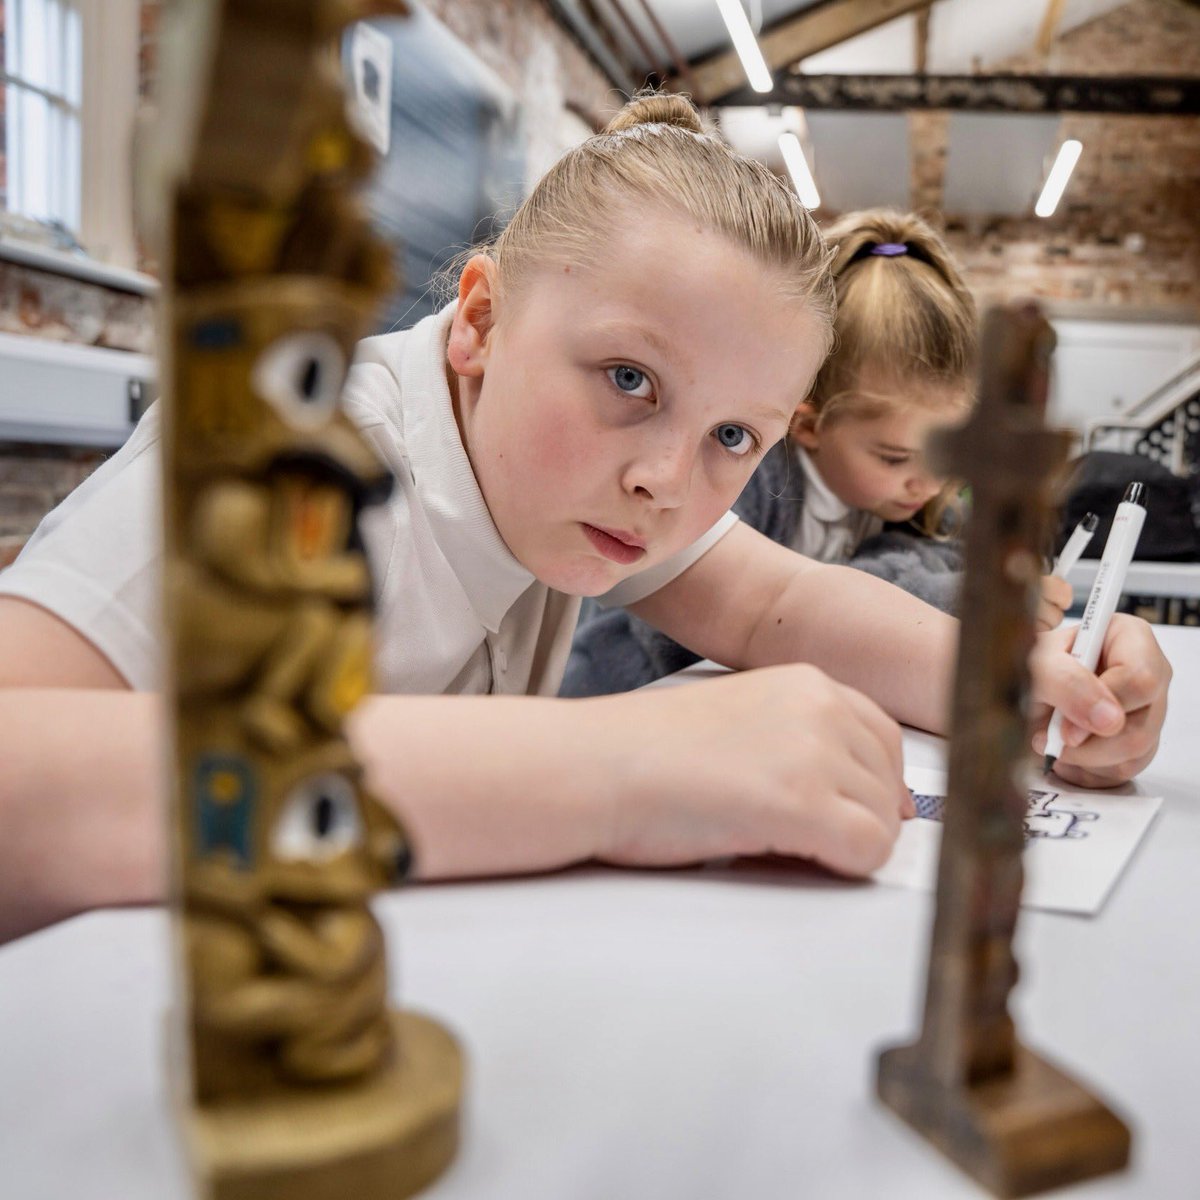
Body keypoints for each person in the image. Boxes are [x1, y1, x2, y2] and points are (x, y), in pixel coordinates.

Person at [0, 95, 1169, 943]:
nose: (669, 477)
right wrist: (620, 764)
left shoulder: (574, 483)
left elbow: (773, 603)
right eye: (628, 379)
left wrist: (1022, 670)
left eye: (734, 438)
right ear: (479, 321)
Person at [561, 208, 1075, 697]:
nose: (928, 484)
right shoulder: (753, 473)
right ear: (805, 425)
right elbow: (691, 633)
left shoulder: (913, 500)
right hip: (627, 702)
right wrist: (942, 594)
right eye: (893, 458)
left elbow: (949, 557)